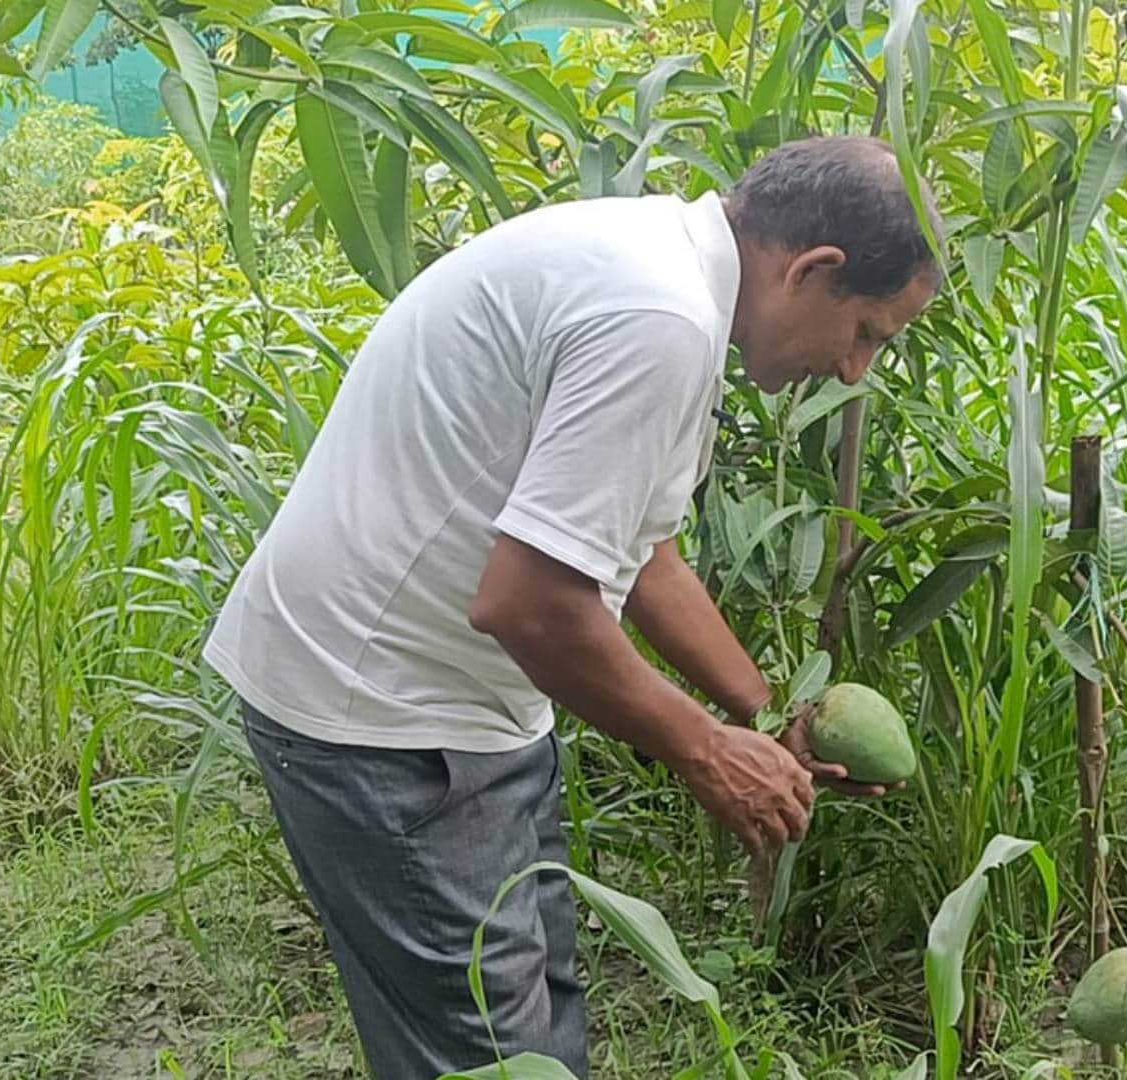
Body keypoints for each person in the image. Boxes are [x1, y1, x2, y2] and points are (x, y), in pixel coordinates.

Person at [200, 134, 941, 1079]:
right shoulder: (659, 315)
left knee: (534, 1030)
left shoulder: (663, 271)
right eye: (869, 333)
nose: (853, 372)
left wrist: (766, 716)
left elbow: (640, 552)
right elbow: (530, 604)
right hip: (381, 714)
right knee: (491, 1056)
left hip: (455, 707)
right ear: (815, 270)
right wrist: (706, 750)